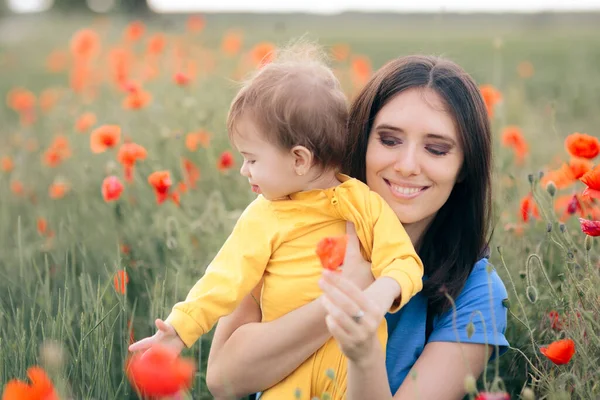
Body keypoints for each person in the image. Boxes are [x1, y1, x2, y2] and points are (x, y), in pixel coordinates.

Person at [129, 44, 425, 400]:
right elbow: (224, 278)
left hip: (349, 360)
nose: (244, 170)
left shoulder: (364, 203)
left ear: (299, 159)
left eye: (251, 159)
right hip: (286, 370)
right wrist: (178, 331)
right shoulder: (262, 215)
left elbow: (405, 262)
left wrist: (378, 295)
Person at [205, 54, 509, 400]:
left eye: (436, 149)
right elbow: (222, 379)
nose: (408, 166)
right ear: (360, 141)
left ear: (464, 167)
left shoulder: (477, 292)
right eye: (389, 140)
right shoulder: (290, 219)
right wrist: (340, 299)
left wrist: (363, 351)